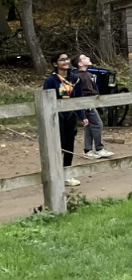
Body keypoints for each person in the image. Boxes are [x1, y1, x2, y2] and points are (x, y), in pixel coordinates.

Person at [44, 51, 81, 187]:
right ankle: (55, 174)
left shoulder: (75, 79)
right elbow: (46, 100)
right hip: (56, 116)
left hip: (70, 115)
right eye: (62, 59)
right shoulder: (50, 81)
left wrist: (82, 116)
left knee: (69, 145)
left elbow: (79, 99)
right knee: (59, 145)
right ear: (55, 64)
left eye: (67, 59)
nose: (66, 61)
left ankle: (67, 174)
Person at [71, 54, 114, 158]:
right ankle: (99, 148)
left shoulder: (88, 74)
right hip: (87, 104)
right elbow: (84, 92)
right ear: (80, 64)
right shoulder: (79, 76)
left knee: (89, 126)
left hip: (92, 103)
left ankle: (88, 150)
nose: (88, 58)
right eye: (85, 58)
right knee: (98, 124)